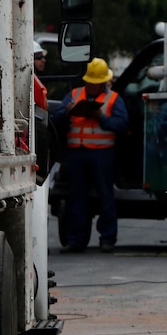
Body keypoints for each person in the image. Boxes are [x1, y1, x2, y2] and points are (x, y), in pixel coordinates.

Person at [52, 57, 129, 253]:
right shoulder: (74, 95)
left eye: (96, 84)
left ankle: (107, 239)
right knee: (76, 198)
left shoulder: (113, 99)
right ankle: (76, 240)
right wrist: (67, 113)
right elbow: (57, 119)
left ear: (104, 82)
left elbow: (122, 125)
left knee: (105, 197)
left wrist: (101, 117)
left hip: (102, 155)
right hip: (77, 154)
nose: (92, 87)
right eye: (90, 83)